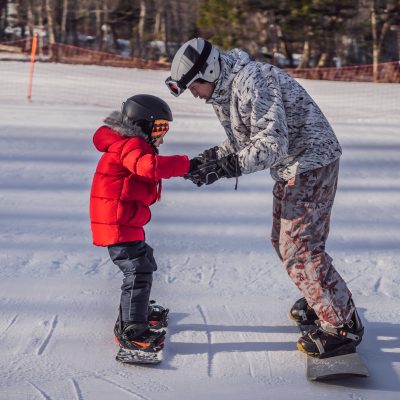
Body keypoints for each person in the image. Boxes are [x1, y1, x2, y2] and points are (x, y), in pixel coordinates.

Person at [165, 38, 364, 358]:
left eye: (195, 86)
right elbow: (242, 142)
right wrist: (206, 162)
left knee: (299, 248)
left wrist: (228, 168)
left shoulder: (253, 81)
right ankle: (322, 300)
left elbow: (271, 144)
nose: (194, 94)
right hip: (293, 168)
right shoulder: (224, 92)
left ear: (211, 70)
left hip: (311, 162)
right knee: (284, 241)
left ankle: (341, 325)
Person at [89, 94, 190, 358]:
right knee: (137, 270)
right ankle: (132, 329)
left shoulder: (127, 143)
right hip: (117, 223)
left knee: (144, 259)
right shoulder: (130, 144)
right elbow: (148, 167)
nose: (162, 135)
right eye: (158, 128)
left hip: (122, 220)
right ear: (141, 124)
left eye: (165, 128)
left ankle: (138, 312)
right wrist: (185, 164)